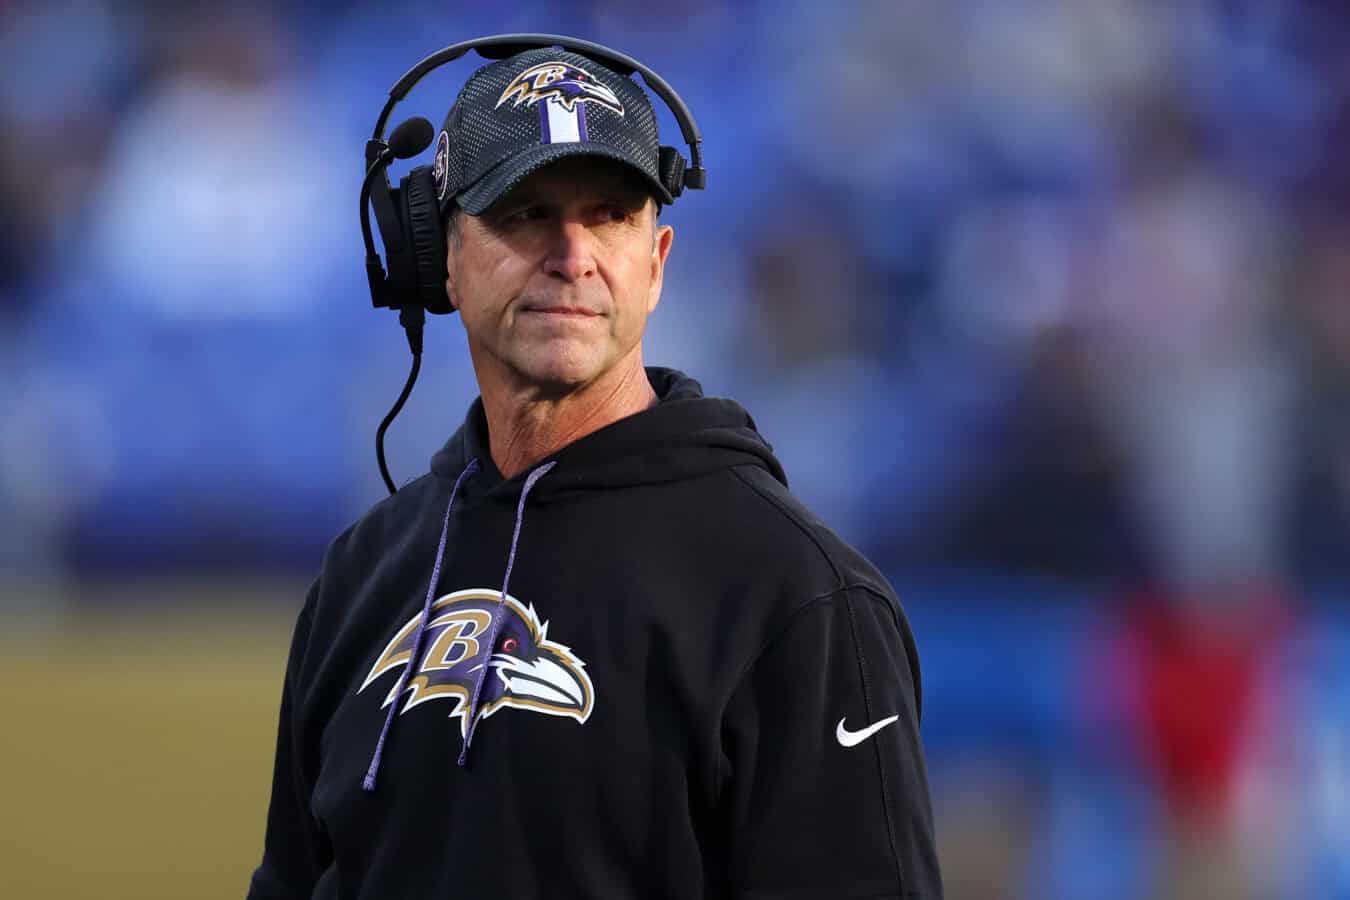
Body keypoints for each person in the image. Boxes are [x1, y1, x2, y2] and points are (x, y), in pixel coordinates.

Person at [248, 45, 942, 900]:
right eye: (526, 211)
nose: (572, 254)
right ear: (438, 259)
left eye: (610, 214)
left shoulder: (798, 595)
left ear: (655, 264)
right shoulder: (363, 574)